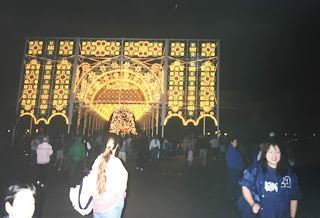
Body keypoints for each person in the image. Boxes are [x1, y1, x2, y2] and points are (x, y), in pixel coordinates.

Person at [237, 140, 302, 218]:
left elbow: (294, 196)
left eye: (277, 152)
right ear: (264, 153)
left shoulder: (288, 174)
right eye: (270, 152)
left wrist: (292, 216)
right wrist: (252, 203)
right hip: (261, 214)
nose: (274, 156)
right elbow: (245, 186)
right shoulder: (256, 169)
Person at [90, 140, 128, 218]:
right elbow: (122, 186)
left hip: (97, 204)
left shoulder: (98, 160)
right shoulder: (116, 162)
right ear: (117, 147)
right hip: (111, 206)